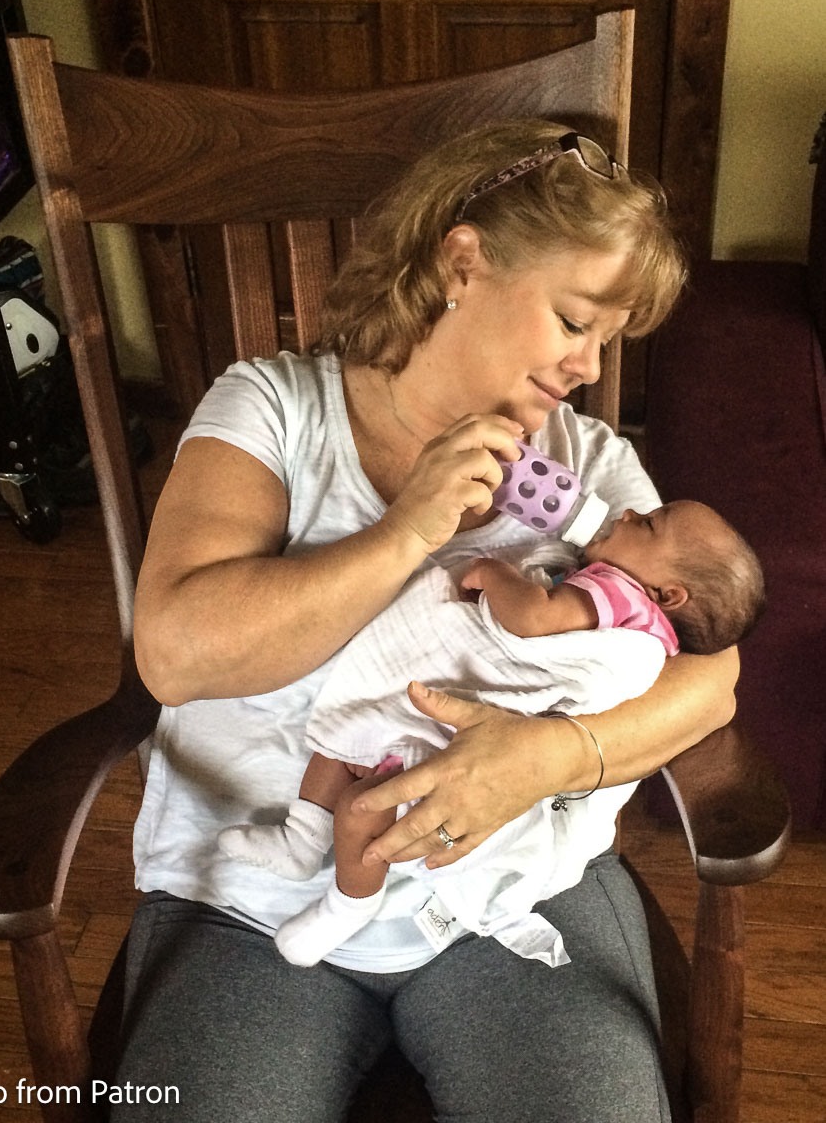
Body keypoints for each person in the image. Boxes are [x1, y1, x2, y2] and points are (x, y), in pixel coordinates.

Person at [123, 119, 739, 1123]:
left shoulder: (587, 470)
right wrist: (405, 531)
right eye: (575, 320)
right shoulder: (274, 411)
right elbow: (175, 654)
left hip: (507, 902)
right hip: (252, 901)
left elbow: (712, 677)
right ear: (464, 261)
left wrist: (547, 761)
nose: (589, 365)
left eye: (607, 340)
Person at [218, 499, 765, 968]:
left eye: (647, 523)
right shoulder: (642, 616)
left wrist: (495, 574)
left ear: (668, 596)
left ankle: (346, 902)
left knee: (362, 804)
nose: (626, 512)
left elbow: (531, 620)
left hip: (466, 727)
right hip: (463, 725)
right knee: (346, 753)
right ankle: (301, 840)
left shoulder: (619, 595)